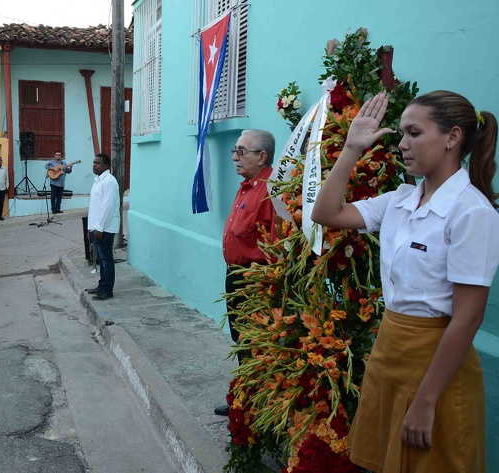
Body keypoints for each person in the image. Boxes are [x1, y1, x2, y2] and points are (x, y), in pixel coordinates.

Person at [311, 91, 499, 473]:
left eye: (414, 133)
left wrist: (427, 401)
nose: (402, 144)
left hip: (436, 368)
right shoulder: (400, 200)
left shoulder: (471, 212)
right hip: (390, 354)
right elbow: (325, 212)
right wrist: (351, 149)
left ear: (452, 137)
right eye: (401, 133)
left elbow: (467, 318)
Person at [214, 129, 277, 417]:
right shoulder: (248, 185)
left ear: (262, 156)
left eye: (241, 151)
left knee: (254, 343)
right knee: (242, 341)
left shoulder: (271, 190)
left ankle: (257, 403)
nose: (235, 157)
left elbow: (276, 244)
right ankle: (246, 398)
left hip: (255, 279)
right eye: (235, 151)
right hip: (237, 275)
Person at [85, 153, 120, 301]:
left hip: (104, 228)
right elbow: (94, 207)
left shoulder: (109, 181)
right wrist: (90, 227)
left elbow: (108, 207)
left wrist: (99, 227)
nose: (94, 165)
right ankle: (101, 285)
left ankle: (107, 290)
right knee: (101, 258)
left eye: (97, 163)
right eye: (93, 162)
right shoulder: (98, 180)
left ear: (106, 165)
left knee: (106, 259)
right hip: (96, 227)